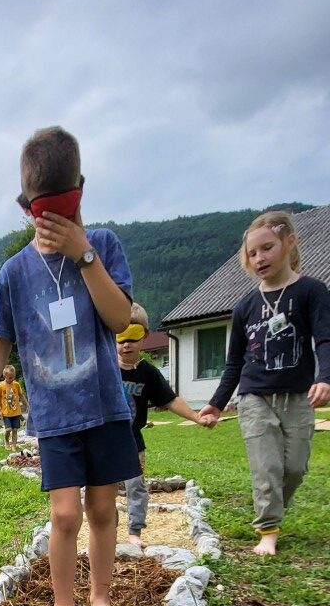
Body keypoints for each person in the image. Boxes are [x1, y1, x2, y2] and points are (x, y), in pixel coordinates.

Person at [0, 125, 141, 606]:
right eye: (45, 210)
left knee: (103, 509)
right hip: (56, 415)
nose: (56, 219)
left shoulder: (103, 245)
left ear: (80, 191)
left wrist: (84, 254)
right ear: (26, 207)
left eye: (66, 206)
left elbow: (119, 318)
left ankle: (100, 595)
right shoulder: (14, 274)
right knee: (64, 515)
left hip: (105, 406)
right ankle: (64, 605)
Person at [199, 210, 330, 555]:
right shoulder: (245, 306)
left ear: (289, 242)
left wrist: (325, 378)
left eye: (267, 248)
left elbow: (325, 339)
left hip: (298, 396)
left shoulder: (311, 291)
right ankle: (268, 530)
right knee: (267, 466)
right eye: (252, 253)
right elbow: (234, 362)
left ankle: (272, 507)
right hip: (254, 396)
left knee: (295, 468)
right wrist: (216, 403)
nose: (259, 258)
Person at [118, 303, 207, 546]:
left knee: (136, 487)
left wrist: (196, 417)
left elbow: (170, 400)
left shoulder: (148, 373)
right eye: (120, 336)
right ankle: (106, 529)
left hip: (133, 442)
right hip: (105, 442)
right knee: (103, 490)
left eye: (133, 336)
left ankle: (134, 531)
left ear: (145, 336)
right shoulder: (105, 367)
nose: (126, 344)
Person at [0, 364, 28, 450]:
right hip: (6, 413)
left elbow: (21, 396)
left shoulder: (16, 384)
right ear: (4, 376)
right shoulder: (0, 386)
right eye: (10, 378)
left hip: (16, 412)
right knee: (8, 429)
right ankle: (6, 441)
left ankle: (14, 446)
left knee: (15, 430)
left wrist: (27, 405)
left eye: (13, 377)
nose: (12, 379)